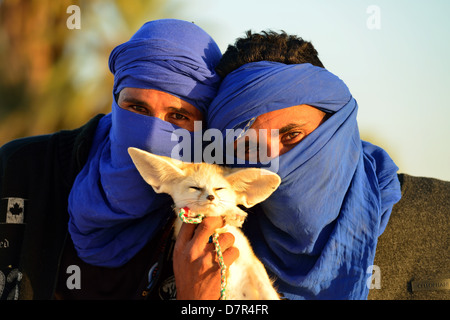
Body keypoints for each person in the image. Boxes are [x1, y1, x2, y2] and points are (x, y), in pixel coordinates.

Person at [0, 19, 239, 300]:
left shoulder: (212, 216)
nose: (150, 136)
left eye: (178, 116)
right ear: (115, 102)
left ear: (202, 129)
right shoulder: (23, 168)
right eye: (137, 108)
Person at [207, 31, 449, 300]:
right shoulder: (214, 254)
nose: (276, 164)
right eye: (250, 147)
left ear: (337, 127)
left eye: (292, 136)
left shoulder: (442, 214)